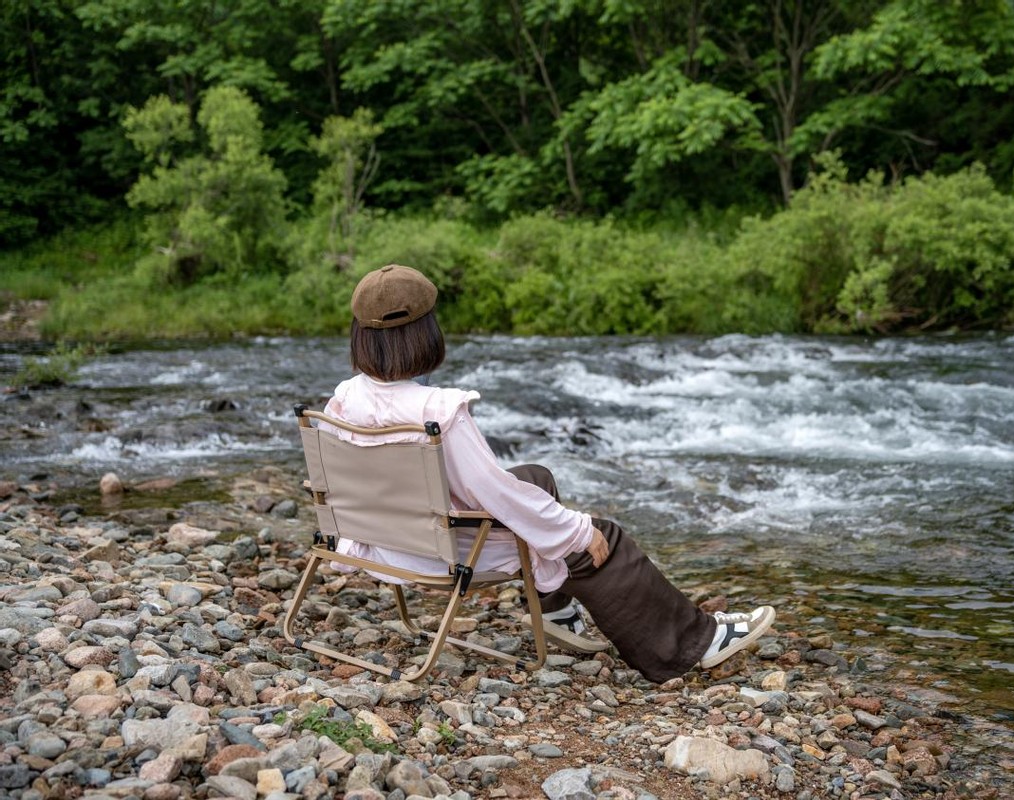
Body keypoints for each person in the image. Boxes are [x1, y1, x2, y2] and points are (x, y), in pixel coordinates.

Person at [319, 264, 775, 683]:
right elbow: (493, 492)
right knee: (600, 540)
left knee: (536, 478)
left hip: (383, 539)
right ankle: (694, 643)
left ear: (361, 335)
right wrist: (578, 531)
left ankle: (554, 611)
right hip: (441, 550)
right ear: (426, 333)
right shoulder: (437, 413)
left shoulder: (344, 399)